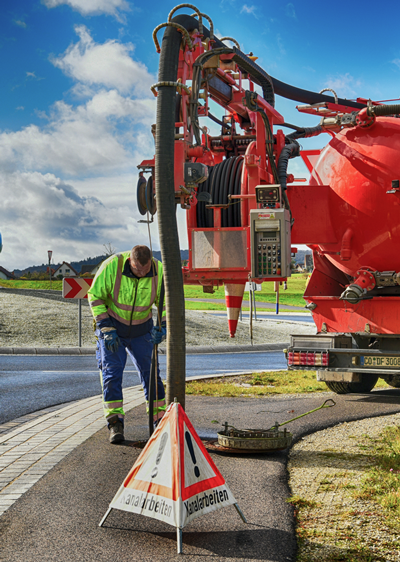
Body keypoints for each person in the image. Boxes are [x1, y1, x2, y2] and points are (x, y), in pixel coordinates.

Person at [88, 245, 166, 444]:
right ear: (130, 261)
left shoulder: (159, 271)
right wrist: (106, 329)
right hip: (113, 328)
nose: (142, 274)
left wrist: (162, 327)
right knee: (112, 374)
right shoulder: (112, 266)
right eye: (138, 270)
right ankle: (115, 423)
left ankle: (159, 421)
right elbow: (94, 296)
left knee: (151, 375)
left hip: (142, 331)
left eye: (146, 270)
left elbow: (165, 304)